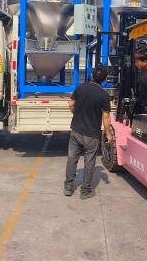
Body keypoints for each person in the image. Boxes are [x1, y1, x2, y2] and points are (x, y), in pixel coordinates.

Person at [64, 66, 112, 200]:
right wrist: (108, 134)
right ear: (105, 79)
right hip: (92, 134)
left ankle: (68, 187)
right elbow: (106, 116)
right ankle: (85, 191)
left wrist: (76, 115)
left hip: (76, 130)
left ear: (92, 76)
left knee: (72, 159)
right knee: (89, 162)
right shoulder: (104, 95)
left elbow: (71, 104)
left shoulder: (80, 87)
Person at [133, 49, 147, 113]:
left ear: (145, 62)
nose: (135, 64)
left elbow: (143, 95)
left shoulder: (145, 78)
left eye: (137, 62)